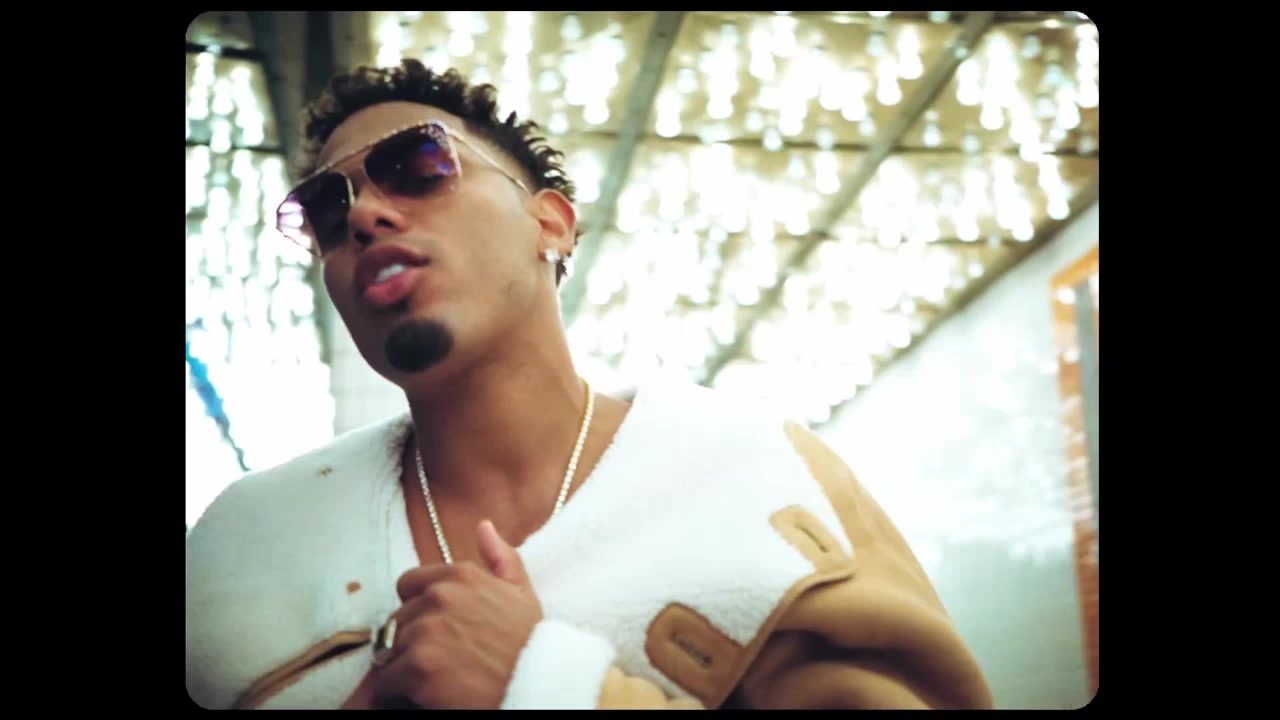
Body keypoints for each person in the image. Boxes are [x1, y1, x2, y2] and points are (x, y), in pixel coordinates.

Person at [185, 59, 995, 710]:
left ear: (551, 223)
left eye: (419, 166)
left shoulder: (762, 486)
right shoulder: (243, 548)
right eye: (328, 214)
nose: (365, 216)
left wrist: (548, 686)